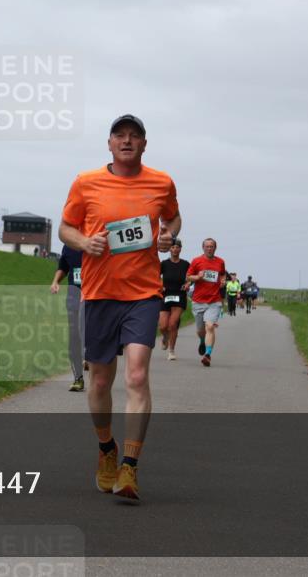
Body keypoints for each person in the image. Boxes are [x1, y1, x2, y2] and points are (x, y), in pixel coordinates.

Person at [59, 114, 181, 501]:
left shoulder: (161, 182)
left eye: (135, 136)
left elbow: (173, 218)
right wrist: (83, 243)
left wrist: (168, 234)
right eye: (120, 136)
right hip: (99, 293)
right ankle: (106, 449)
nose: (127, 141)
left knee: (137, 376)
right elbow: (65, 228)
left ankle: (130, 467)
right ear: (109, 144)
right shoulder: (86, 182)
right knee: (99, 380)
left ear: (145, 144)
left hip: (143, 294)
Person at [186, 238, 227, 367]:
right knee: (200, 331)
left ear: (215, 248)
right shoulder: (196, 261)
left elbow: (222, 275)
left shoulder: (220, 262)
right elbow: (188, 276)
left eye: (212, 246)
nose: (209, 248)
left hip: (214, 301)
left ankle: (208, 355)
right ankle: (203, 341)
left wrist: (223, 281)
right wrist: (197, 277)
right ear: (203, 248)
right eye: (207, 246)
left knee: (210, 326)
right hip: (198, 301)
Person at [51, 244, 86, 391]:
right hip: (73, 298)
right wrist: (55, 281)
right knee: (74, 337)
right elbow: (63, 267)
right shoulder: (69, 246)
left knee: (92, 333)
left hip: (97, 297)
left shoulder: (97, 239)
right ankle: (78, 378)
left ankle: (98, 370)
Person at [158, 239, 190, 361]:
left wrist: (188, 284)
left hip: (180, 295)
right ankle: (165, 337)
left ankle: (171, 351)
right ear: (169, 249)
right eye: (172, 247)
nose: (175, 249)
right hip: (166, 295)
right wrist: (160, 285)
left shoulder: (186, 264)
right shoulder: (164, 264)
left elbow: (190, 277)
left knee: (172, 324)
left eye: (177, 247)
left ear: (180, 249)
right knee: (162, 326)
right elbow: (156, 276)